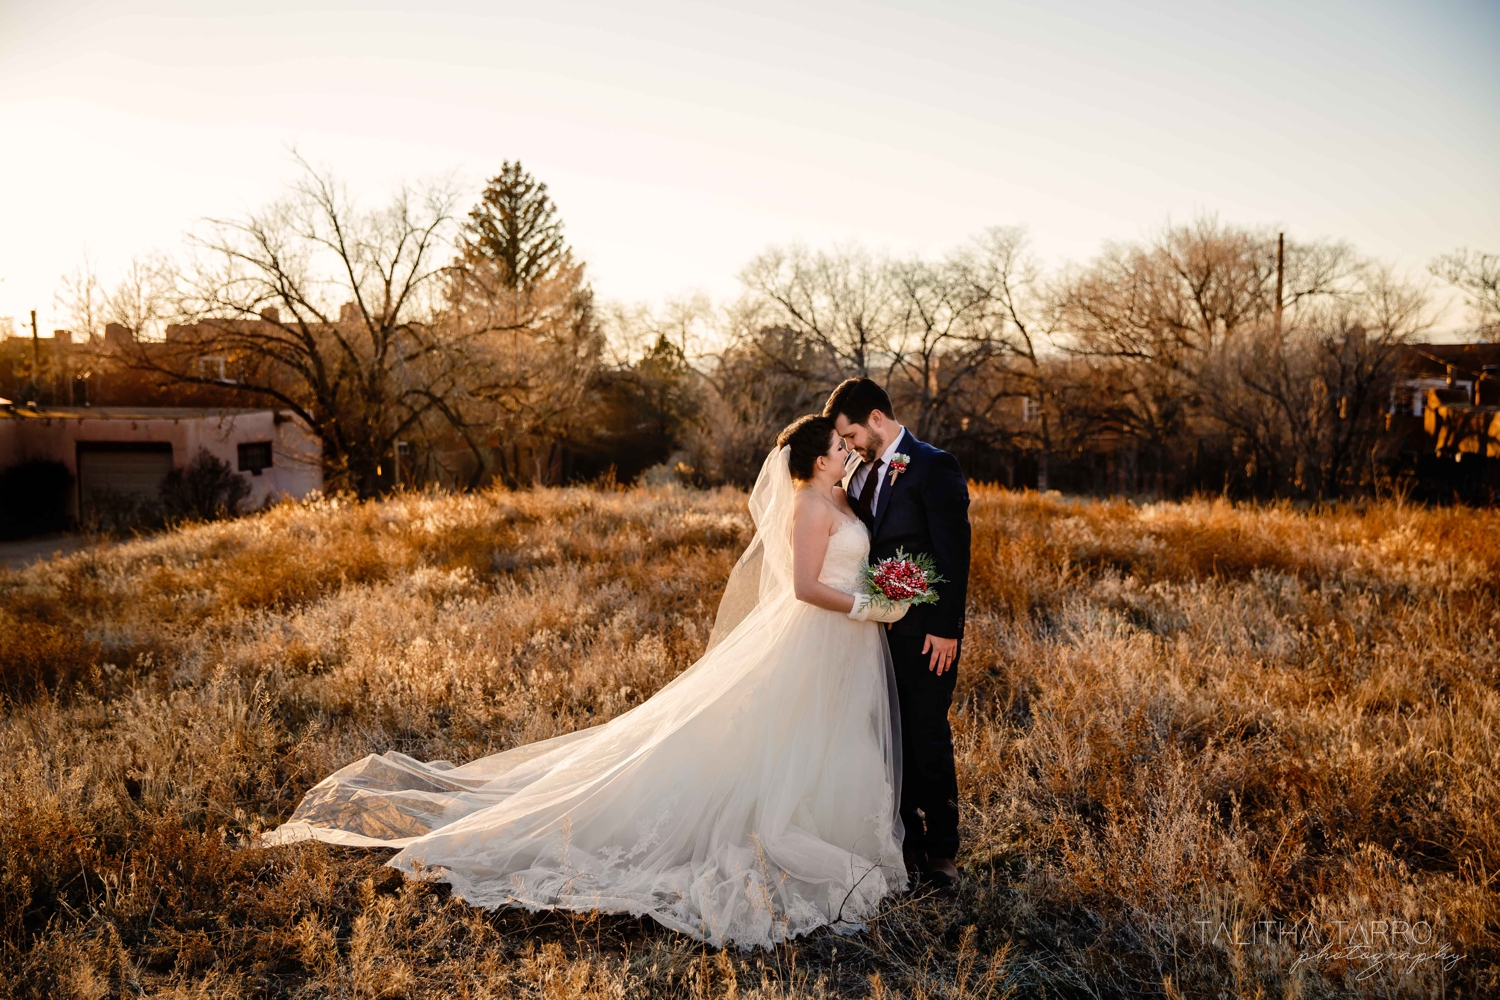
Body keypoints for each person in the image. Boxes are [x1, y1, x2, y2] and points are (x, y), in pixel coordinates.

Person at [264, 415, 913, 949]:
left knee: (831, 738)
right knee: (782, 745)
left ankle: (835, 826)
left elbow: (854, 540)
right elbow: (803, 586)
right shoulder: (807, 504)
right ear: (815, 460)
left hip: (844, 647)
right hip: (821, 635)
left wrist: (886, 585)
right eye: (836, 446)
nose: (845, 450)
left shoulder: (837, 495)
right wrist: (864, 606)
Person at [823, 378, 971, 888]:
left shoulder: (933, 465)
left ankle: (943, 852)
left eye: (851, 435)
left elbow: (954, 552)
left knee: (927, 735)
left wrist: (948, 629)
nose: (850, 447)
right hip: (871, 634)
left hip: (926, 633)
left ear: (877, 419)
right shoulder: (859, 474)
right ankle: (903, 843)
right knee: (886, 738)